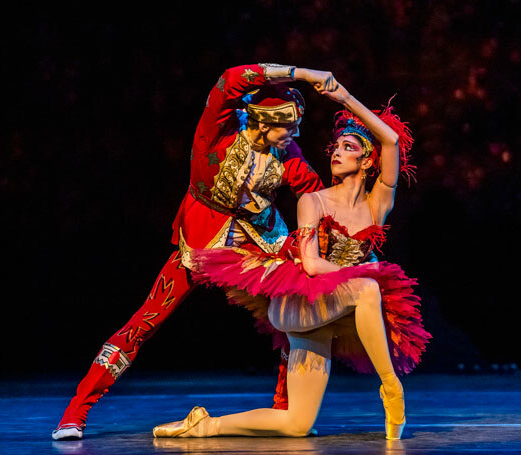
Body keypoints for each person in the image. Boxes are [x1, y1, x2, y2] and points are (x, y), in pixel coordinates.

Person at [52, 64, 336, 440]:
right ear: (264, 123)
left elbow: (314, 194)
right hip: (201, 244)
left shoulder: (287, 153)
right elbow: (230, 79)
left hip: (258, 244)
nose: (296, 134)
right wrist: (301, 73)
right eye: (289, 127)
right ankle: (75, 412)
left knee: (294, 313)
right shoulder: (217, 133)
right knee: (145, 321)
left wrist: (345, 218)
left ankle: (284, 410)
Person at [151, 81, 430, 440]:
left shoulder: (377, 205)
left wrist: (344, 98)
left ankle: (204, 425)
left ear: (367, 160)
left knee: (298, 424)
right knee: (367, 287)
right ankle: (391, 387)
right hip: (299, 305)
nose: (337, 152)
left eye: (349, 147)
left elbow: (390, 140)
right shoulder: (313, 201)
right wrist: (361, 273)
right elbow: (312, 266)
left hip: (334, 313)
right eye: (336, 146)